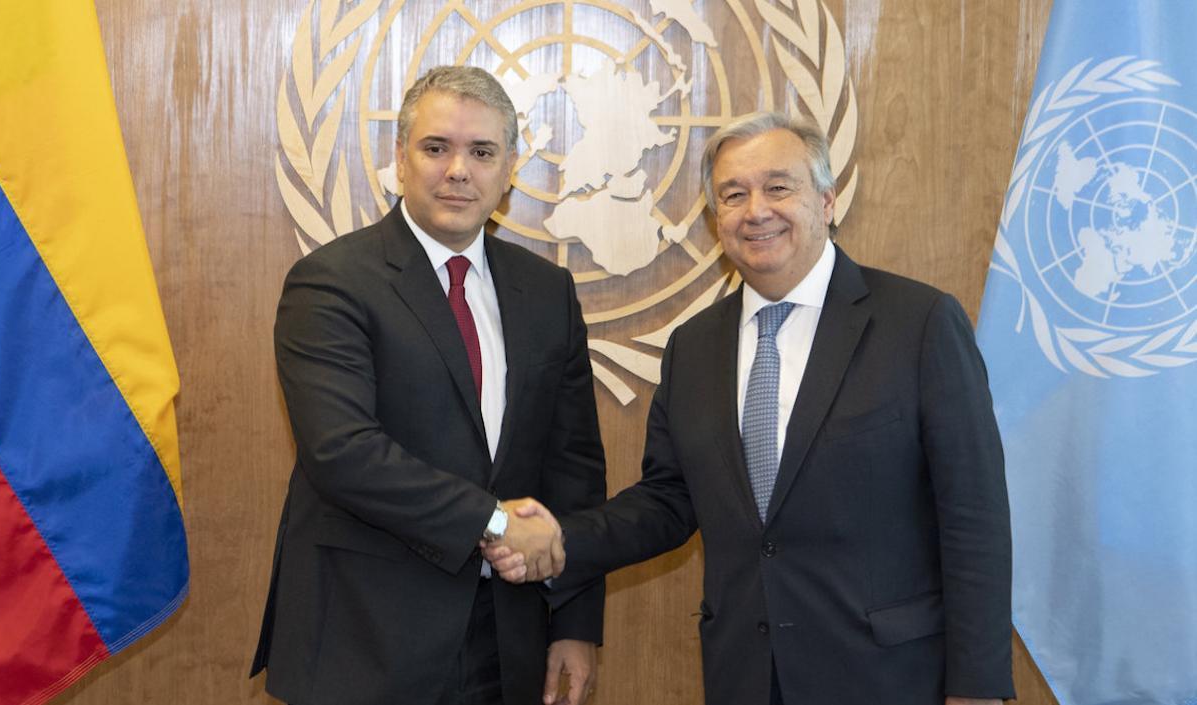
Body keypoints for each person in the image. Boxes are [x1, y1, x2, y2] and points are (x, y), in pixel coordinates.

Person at [486, 111, 1014, 705]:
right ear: (718, 222)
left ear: (826, 200)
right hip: (745, 674)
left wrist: (978, 686)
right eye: (733, 195)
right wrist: (562, 537)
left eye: (778, 187)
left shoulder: (918, 324)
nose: (756, 209)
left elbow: (974, 518)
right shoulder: (695, 346)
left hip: (892, 677)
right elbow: (668, 500)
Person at [250, 65, 606, 705]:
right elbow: (343, 453)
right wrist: (495, 521)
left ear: (511, 168)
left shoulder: (547, 292)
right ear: (400, 159)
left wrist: (575, 622)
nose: (458, 170)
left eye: (482, 151)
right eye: (436, 147)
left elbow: (572, 465)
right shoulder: (331, 282)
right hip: (367, 641)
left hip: (509, 638)